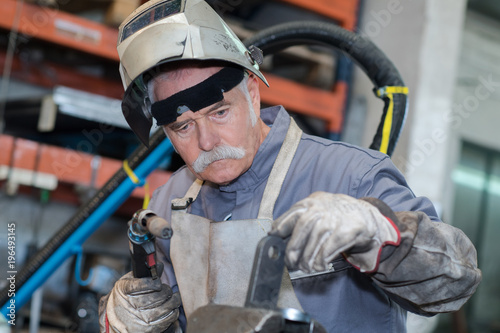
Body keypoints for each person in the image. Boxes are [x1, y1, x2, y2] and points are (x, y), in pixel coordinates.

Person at [99, 0, 482, 332]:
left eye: (219, 112)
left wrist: (380, 233)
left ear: (251, 92)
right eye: (182, 126)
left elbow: (456, 281)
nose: (206, 142)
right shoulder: (171, 202)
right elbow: (158, 314)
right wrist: (121, 319)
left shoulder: (350, 176)